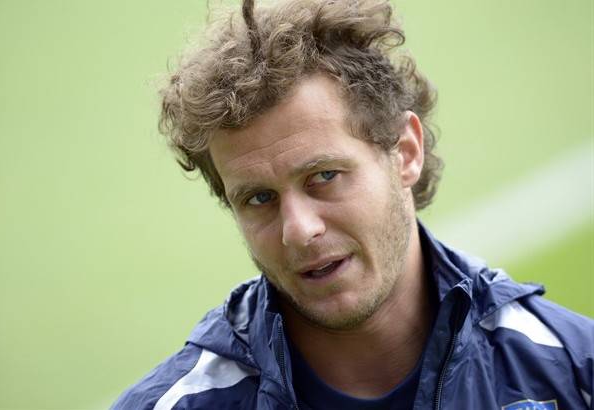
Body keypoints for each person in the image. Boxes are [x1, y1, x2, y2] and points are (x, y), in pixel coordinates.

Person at [112, 0, 594, 409]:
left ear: (406, 152)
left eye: (324, 176)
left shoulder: (573, 372)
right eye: (259, 198)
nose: (298, 230)